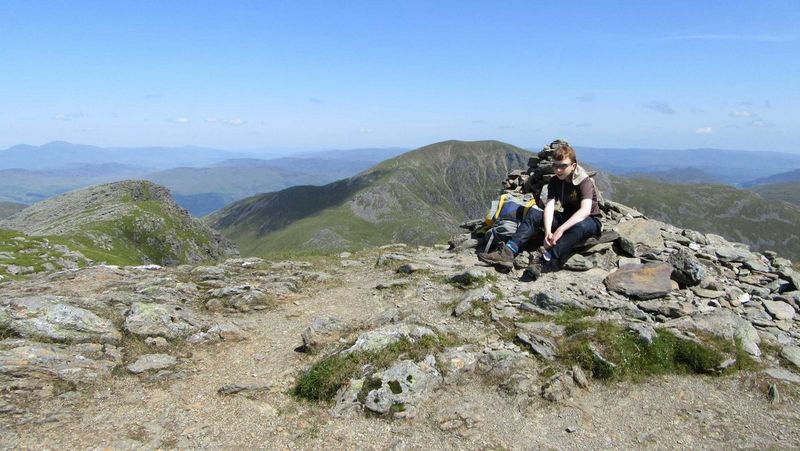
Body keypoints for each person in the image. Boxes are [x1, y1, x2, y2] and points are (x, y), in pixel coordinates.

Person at [478, 144, 602, 278]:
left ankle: (543, 260)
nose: (558, 170)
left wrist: (560, 230)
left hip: (590, 221)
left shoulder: (584, 181)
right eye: (555, 166)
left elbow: (585, 210)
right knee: (534, 213)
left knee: (580, 226)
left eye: (563, 166)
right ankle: (508, 252)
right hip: (567, 216)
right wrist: (548, 232)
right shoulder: (555, 181)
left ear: (573, 165)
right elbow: (549, 206)